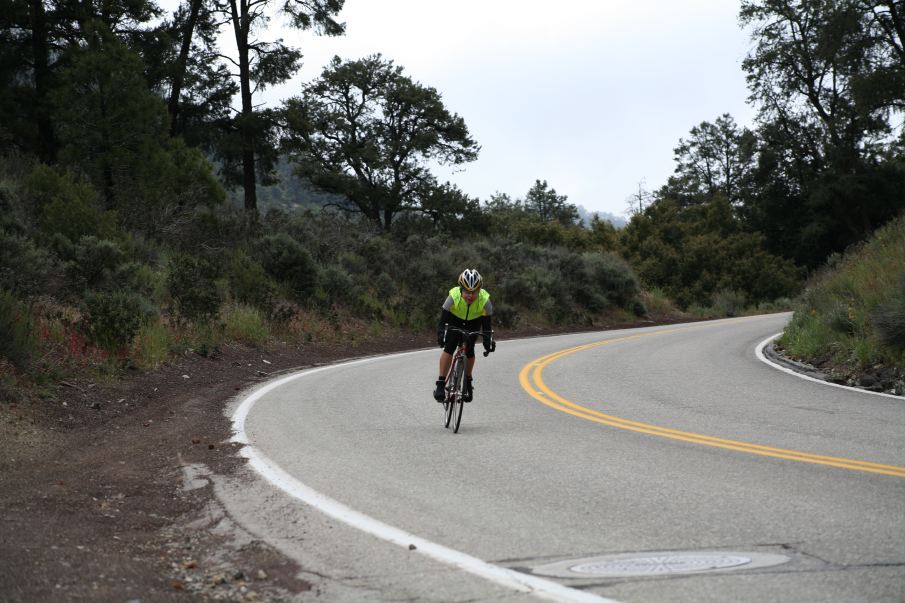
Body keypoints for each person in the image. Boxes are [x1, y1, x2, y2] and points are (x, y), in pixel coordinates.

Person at [433, 268, 496, 402]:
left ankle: (468, 381)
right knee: (449, 347)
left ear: (479, 291)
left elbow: (486, 327)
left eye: (474, 292)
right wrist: (441, 334)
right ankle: (440, 383)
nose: (470, 296)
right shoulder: (453, 297)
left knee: (470, 350)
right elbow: (442, 322)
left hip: (474, 323)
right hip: (454, 321)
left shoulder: (485, 301)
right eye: (467, 291)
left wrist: (487, 341)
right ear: (461, 289)